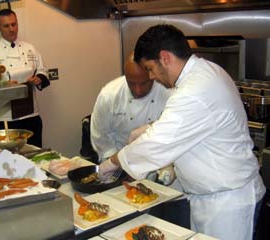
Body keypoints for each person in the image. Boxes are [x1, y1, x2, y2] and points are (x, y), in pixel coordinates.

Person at [99, 24, 266, 240]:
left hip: (228, 204)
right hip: (212, 198)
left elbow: (157, 144)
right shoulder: (206, 72)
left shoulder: (194, 89)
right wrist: (148, 129)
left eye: (150, 68)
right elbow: (191, 123)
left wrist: (111, 163)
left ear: (165, 57)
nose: (151, 76)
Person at [90, 52, 171, 163]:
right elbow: (101, 135)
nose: (138, 90)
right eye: (132, 83)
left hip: (156, 161)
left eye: (143, 83)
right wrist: (116, 164)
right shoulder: (109, 95)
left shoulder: (168, 92)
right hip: (119, 158)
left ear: (152, 76)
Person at [0, 9, 50, 147]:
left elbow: (43, 71)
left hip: (32, 115)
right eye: (6, 26)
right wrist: (3, 85)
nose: (12, 29)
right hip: (6, 118)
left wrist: (39, 79)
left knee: (34, 156)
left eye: (14, 24)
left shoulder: (30, 48)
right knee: (9, 163)